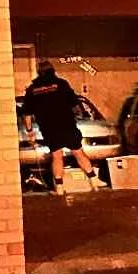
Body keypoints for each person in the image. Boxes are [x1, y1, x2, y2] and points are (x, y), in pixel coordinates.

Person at [21, 60, 99, 190]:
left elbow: (27, 113)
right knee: (78, 152)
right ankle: (94, 182)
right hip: (67, 125)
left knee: (56, 156)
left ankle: (59, 188)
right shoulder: (61, 84)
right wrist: (79, 115)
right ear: (52, 70)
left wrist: (30, 131)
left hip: (49, 128)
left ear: (39, 72)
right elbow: (74, 104)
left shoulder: (32, 89)